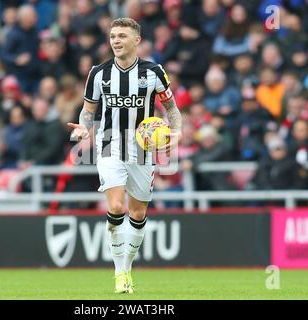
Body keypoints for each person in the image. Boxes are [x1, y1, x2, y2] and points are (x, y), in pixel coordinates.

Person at [67, 18, 181, 294]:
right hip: (109, 145)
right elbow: (88, 111)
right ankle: (120, 273)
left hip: (143, 149)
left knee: (139, 213)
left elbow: (173, 110)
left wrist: (176, 132)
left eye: (121, 36)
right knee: (117, 207)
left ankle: (127, 267)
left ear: (136, 40)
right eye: (113, 36)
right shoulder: (98, 73)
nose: (116, 41)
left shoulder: (154, 72)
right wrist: (84, 127)